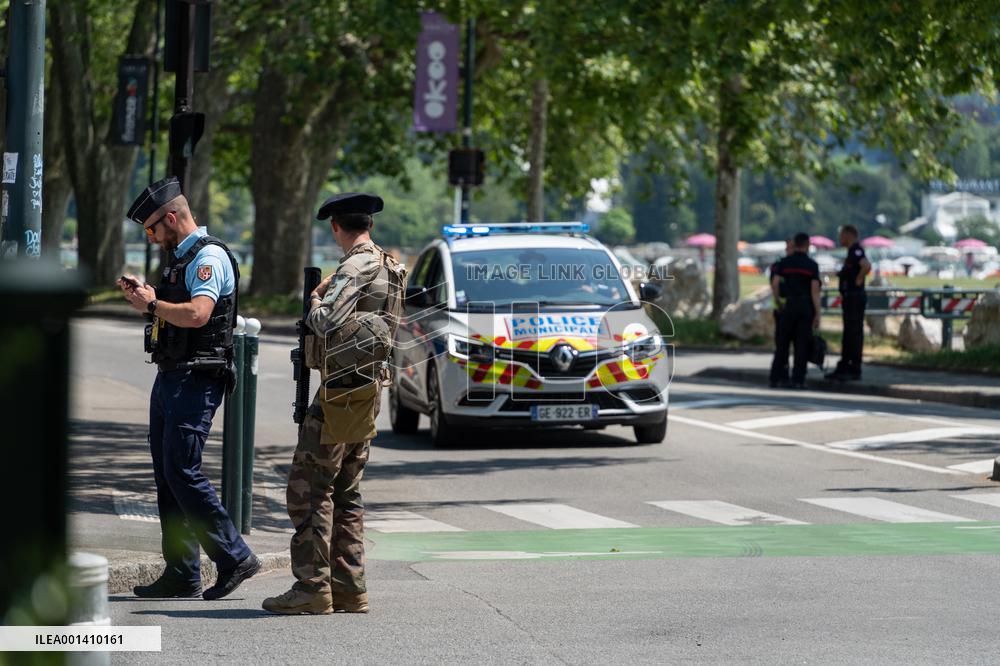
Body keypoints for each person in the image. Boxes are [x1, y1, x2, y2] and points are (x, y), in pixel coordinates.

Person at [263, 193, 405, 615]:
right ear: (370, 225)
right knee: (346, 491)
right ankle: (349, 587)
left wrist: (315, 299)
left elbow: (325, 322)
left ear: (335, 228)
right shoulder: (390, 266)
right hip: (367, 392)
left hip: (339, 394)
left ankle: (312, 588)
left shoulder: (354, 266)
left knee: (308, 491)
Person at [118, 176, 260, 600]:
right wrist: (150, 297)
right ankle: (182, 572)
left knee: (183, 469)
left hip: (197, 377)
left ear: (172, 217)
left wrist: (153, 304)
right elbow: (176, 310)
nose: (151, 236)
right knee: (168, 475)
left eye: (152, 228)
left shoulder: (208, 258)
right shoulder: (180, 259)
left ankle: (235, 556)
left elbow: (199, 314)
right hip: (172, 375)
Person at [826, 224, 871, 381]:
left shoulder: (856, 250)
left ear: (849, 235)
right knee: (849, 333)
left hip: (854, 297)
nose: (840, 238)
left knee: (853, 333)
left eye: (842, 235)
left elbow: (866, 265)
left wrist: (859, 278)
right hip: (850, 297)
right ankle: (846, 364)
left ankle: (853, 366)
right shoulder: (851, 252)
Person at [768, 238, 794, 386]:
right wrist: (778, 302)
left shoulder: (781, 264)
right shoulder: (781, 264)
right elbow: (775, 284)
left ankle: (780, 375)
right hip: (782, 309)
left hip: (784, 308)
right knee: (782, 345)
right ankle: (779, 375)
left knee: (783, 345)